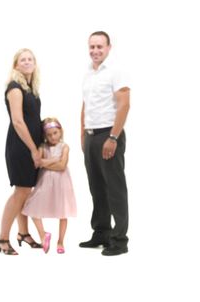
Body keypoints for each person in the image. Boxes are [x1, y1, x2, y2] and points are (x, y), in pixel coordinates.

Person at [79, 31, 130, 256]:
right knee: (97, 188)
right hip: (91, 136)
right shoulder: (89, 73)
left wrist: (113, 137)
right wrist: (83, 135)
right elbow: (85, 105)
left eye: (100, 46)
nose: (95, 51)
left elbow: (124, 104)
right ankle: (101, 233)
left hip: (108, 135)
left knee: (114, 189)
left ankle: (119, 240)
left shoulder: (115, 71)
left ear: (109, 47)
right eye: (92, 47)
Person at [0, 48, 43, 255]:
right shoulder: (14, 88)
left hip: (32, 145)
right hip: (20, 147)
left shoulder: (31, 88)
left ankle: (23, 233)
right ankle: (2, 238)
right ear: (16, 65)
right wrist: (33, 149)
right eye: (22, 59)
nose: (26, 62)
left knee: (26, 192)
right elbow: (17, 121)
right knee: (21, 191)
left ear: (34, 63)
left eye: (30, 59)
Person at [22, 117, 77, 254]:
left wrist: (45, 163)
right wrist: (52, 160)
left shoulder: (65, 147)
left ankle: (60, 241)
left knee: (62, 211)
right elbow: (37, 163)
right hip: (45, 182)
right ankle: (43, 235)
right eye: (49, 134)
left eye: (55, 133)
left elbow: (62, 165)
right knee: (31, 206)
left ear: (60, 131)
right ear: (44, 135)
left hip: (62, 183)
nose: (53, 137)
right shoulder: (42, 147)